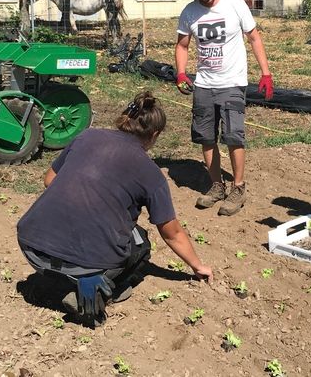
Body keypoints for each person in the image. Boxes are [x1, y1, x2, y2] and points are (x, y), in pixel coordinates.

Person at [16, 91, 212, 325]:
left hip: (31, 245)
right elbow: (172, 233)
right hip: (84, 261)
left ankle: (57, 276)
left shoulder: (86, 136)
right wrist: (197, 265)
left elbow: (49, 180)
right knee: (140, 243)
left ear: (124, 119)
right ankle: (96, 290)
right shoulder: (151, 173)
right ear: (155, 134)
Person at [175, 0, 274, 216]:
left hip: (232, 82)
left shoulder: (235, 4)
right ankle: (217, 186)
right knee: (206, 138)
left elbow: (254, 37)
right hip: (204, 84)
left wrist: (265, 73)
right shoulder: (189, 12)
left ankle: (238, 188)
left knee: (233, 136)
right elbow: (182, 45)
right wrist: (181, 73)